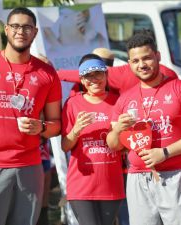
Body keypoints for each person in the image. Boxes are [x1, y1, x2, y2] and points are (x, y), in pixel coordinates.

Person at [0, 7, 62, 225]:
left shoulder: (47, 73)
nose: (21, 31)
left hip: (30, 168)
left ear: (35, 32)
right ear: (7, 30)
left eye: (27, 27)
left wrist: (41, 127)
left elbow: (56, 125)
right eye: (16, 26)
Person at [106, 31, 181, 225]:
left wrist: (165, 152)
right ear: (129, 64)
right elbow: (113, 145)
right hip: (137, 177)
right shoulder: (125, 99)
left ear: (158, 56)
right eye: (135, 60)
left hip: (176, 174)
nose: (142, 65)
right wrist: (118, 129)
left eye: (147, 58)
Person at [61, 54, 125, 225]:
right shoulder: (72, 104)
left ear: (106, 75)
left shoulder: (119, 102)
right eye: (88, 75)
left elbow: (125, 145)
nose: (94, 79)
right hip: (81, 186)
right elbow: (65, 146)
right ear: (81, 79)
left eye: (98, 73)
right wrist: (76, 130)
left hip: (111, 184)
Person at [57, 31, 178, 95]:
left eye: (98, 71)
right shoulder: (170, 73)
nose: (142, 65)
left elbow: (72, 74)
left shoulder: (120, 73)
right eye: (136, 60)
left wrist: (50, 72)